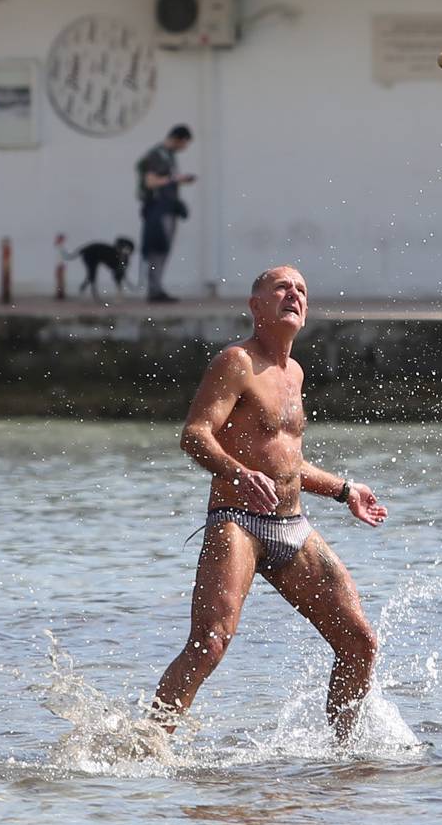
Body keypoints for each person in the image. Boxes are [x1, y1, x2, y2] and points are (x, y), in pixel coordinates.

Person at [150, 263, 386, 743]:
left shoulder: (294, 372)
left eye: (301, 288)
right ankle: (149, 741)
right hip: (237, 522)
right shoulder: (236, 361)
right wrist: (235, 472)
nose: (293, 294)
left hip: (291, 526)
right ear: (256, 305)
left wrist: (345, 490)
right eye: (282, 287)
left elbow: (285, 460)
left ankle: (346, 754)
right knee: (210, 643)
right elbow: (194, 434)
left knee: (359, 643)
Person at [136, 123, 195, 303]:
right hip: (158, 210)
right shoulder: (157, 155)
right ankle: (154, 290)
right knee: (157, 249)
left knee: (162, 250)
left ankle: (157, 288)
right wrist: (175, 179)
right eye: (184, 143)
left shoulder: (168, 156)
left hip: (167, 208)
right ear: (178, 139)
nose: (184, 148)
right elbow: (150, 182)